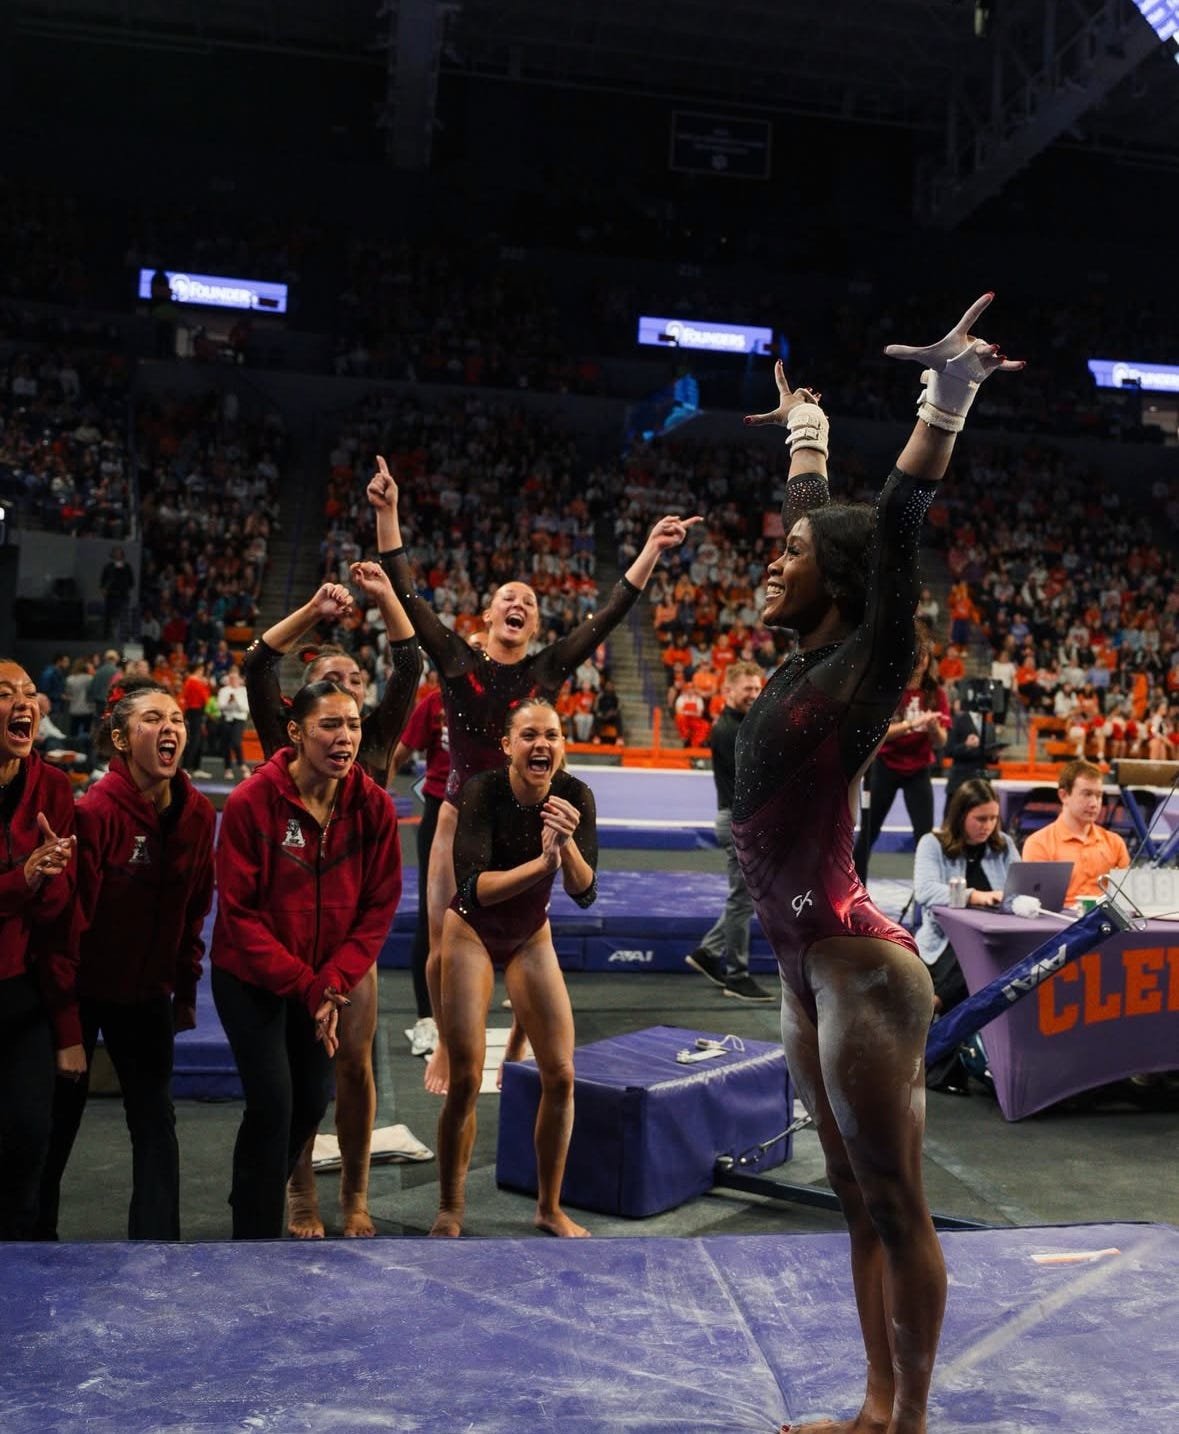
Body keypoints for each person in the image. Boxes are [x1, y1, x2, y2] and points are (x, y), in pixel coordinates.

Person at [734, 295, 1023, 1434]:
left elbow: (893, 516)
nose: (774, 558)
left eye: (791, 555)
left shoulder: (866, 663)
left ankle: (909, 1423)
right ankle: (871, 1408)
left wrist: (946, 393)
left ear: (840, 586)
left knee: (897, 1203)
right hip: (807, 970)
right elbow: (828, 518)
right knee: (852, 1199)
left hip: (859, 964)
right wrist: (805, 432)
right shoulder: (812, 650)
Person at [372, 455, 699, 1096]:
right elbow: (408, 592)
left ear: (535, 625)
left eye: (529, 601)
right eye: (507, 599)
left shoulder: (545, 672)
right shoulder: (458, 663)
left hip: (526, 822)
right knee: (441, 937)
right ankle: (444, 1037)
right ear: (488, 618)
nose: (518, 602)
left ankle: (523, 1036)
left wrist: (652, 549)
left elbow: (608, 614)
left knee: (529, 939)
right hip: (459, 817)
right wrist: (388, 514)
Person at [242, 561, 421, 1239]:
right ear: (303, 717)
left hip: (352, 944)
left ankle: (352, 1194)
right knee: (297, 1077)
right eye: (331, 689)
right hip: (288, 939)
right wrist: (317, 610)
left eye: (354, 685)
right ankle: (299, 1196)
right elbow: (259, 666)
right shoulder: (287, 737)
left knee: (352, 1066)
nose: (345, 699)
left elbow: (409, 668)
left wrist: (385, 597)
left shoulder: (371, 742)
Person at [210, 680, 403, 1240]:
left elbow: (378, 904)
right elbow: (240, 915)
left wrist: (333, 981)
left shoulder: (372, 808)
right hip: (252, 979)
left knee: (312, 1100)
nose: (345, 738)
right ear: (295, 733)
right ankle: (253, 1230)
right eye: (330, 726)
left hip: (324, 984)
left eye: (353, 725)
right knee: (273, 1100)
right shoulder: (252, 802)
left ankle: (253, 1185)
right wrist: (309, 985)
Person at [36, 682, 215, 1240]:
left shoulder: (198, 815)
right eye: (152, 719)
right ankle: (30, 1244)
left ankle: (158, 1247)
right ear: (119, 738)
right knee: (56, 1123)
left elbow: (194, 910)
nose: (171, 728)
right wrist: (67, 1030)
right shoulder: (92, 815)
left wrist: (183, 990)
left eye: (178, 719)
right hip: (81, 989)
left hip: (145, 995)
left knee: (156, 1121)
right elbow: (64, 932)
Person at [432, 699, 597, 1239]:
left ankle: (549, 1207)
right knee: (466, 1079)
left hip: (530, 934)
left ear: (562, 745)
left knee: (563, 1074)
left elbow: (585, 892)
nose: (541, 744)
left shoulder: (575, 795)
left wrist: (566, 848)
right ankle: (451, 1208)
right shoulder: (484, 790)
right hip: (471, 931)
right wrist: (543, 864)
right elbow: (472, 890)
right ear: (508, 746)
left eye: (551, 735)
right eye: (528, 735)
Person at [0, 660, 79, 1239]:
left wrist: (49, 878)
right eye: (5, 694)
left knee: (29, 1133)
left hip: (20, 988)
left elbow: (58, 918)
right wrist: (21, 880)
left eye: (30, 693)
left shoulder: (53, 787)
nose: (23, 703)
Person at [684, 662, 773, 1003]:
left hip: (740, 819)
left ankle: (708, 952)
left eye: (756, 687)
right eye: (747, 689)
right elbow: (757, 778)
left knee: (745, 898)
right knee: (741, 901)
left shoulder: (742, 724)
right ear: (728, 692)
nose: (753, 694)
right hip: (740, 821)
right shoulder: (730, 730)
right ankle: (737, 975)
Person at [912, 778, 1019, 1019]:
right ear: (961, 816)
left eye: (993, 818)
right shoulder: (932, 843)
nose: (988, 826)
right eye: (981, 819)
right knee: (976, 952)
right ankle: (938, 1009)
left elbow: (1018, 889)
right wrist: (975, 896)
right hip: (946, 940)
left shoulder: (1004, 845)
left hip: (995, 938)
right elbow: (925, 890)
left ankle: (934, 1006)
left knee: (984, 951)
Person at [853, 638, 949, 880]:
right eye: (915, 656)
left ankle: (926, 893)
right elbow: (877, 734)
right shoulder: (888, 689)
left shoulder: (935, 693)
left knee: (925, 836)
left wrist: (934, 728)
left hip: (919, 769)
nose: (920, 662)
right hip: (885, 766)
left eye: (924, 656)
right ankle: (854, 887)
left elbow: (942, 742)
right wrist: (910, 724)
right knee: (869, 831)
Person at [391, 682, 450, 1059]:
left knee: (488, 913)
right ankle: (426, 1018)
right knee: (433, 917)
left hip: (488, 817)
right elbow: (399, 754)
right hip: (440, 810)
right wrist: (378, 799)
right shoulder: (435, 704)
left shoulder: (505, 702)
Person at [1020, 758, 1130, 910]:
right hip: (1059, 926)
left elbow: (1126, 901)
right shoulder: (1039, 843)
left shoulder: (1115, 843)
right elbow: (1037, 905)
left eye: (1098, 796)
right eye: (1086, 794)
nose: (1094, 803)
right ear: (1064, 795)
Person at [943, 697, 1001, 799]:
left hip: (982, 785)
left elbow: (990, 759)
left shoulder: (990, 726)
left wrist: (994, 755)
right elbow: (948, 750)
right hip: (960, 783)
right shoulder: (957, 720)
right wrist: (966, 745)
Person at [217, 667, 249, 780]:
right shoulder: (223, 690)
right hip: (226, 718)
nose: (233, 680)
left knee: (236, 742)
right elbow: (220, 706)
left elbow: (246, 708)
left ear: (239, 678)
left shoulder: (244, 690)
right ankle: (228, 769)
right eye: (231, 678)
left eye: (235, 678)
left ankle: (242, 765)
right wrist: (229, 702)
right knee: (226, 744)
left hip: (239, 719)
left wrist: (237, 701)